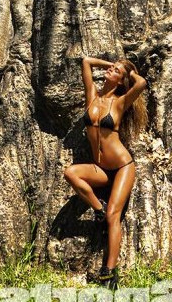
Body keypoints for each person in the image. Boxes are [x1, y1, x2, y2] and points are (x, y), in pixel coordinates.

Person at [63, 55, 148, 285]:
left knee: (114, 216)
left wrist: (127, 71)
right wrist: (112, 65)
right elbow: (86, 62)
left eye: (116, 71)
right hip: (99, 168)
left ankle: (109, 272)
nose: (111, 70)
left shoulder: (120, 103)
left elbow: (140, 84)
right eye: (111, 68)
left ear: (121, 81)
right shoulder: (92, 97)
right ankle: (97, 210)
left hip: (122, 167)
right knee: (70, 173)